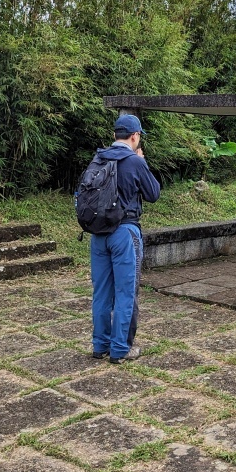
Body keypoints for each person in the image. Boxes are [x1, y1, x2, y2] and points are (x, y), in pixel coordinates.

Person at [90, 114, 161, 364]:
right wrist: (143, 163)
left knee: (101, 292)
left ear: (114, 136)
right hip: (124, 233)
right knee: (125, 292)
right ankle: (120, 349)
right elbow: (153, 193)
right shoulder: (134, 161)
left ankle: (100, 345)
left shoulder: (99, 158)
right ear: (135, 136)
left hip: (98, 234)